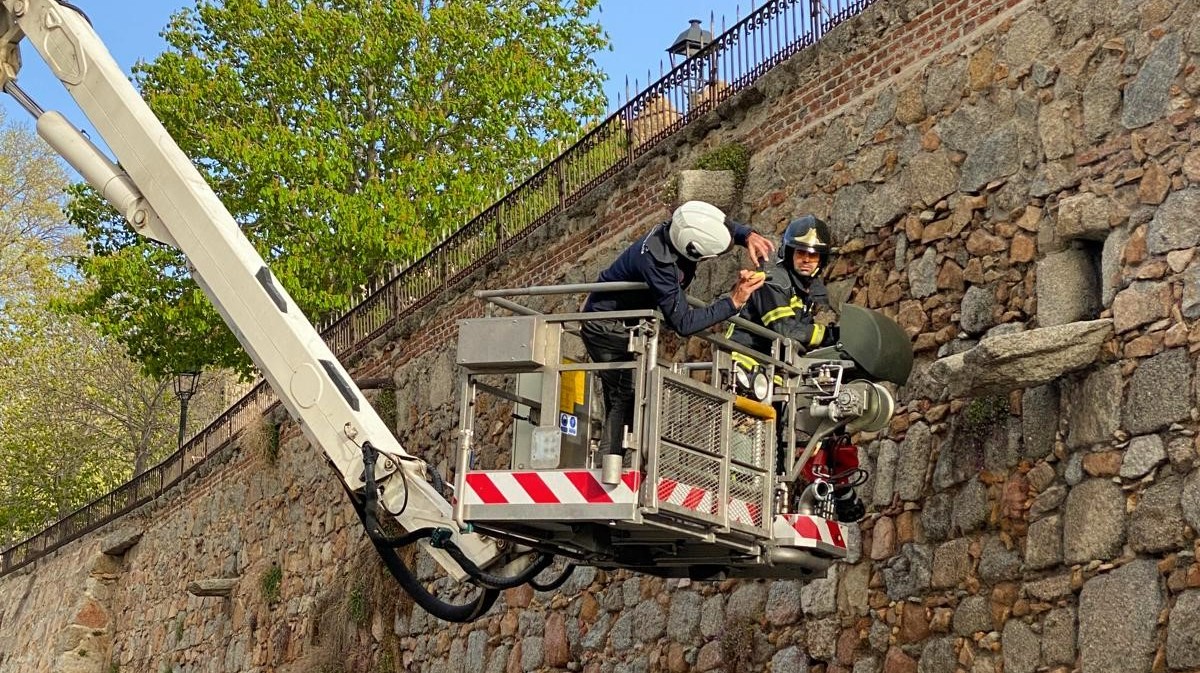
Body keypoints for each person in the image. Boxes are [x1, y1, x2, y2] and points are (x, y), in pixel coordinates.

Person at [581, 200, 774, 482]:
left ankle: (620, 464)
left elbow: (712, 222)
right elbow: (683, 323)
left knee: (630, 394)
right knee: (625, 393)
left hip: (625, 324)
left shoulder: (680, 226)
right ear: (693, 251)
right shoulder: (658, 263)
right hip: (605, 326)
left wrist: (746, 236)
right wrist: (733, 301)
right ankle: (608, 471)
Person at [726, 214, 865, 522]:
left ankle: (832, 488)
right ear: (789, 253)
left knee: (817, 420)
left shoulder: (804, 290)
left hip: (773, 376)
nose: (806, 259)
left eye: (813, 255)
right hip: (746, 372)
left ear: (821, 260)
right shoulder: (773, 281)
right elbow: (787, 332)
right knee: (747, 436)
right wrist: (833, 335)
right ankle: (740, 497)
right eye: (801, 252)